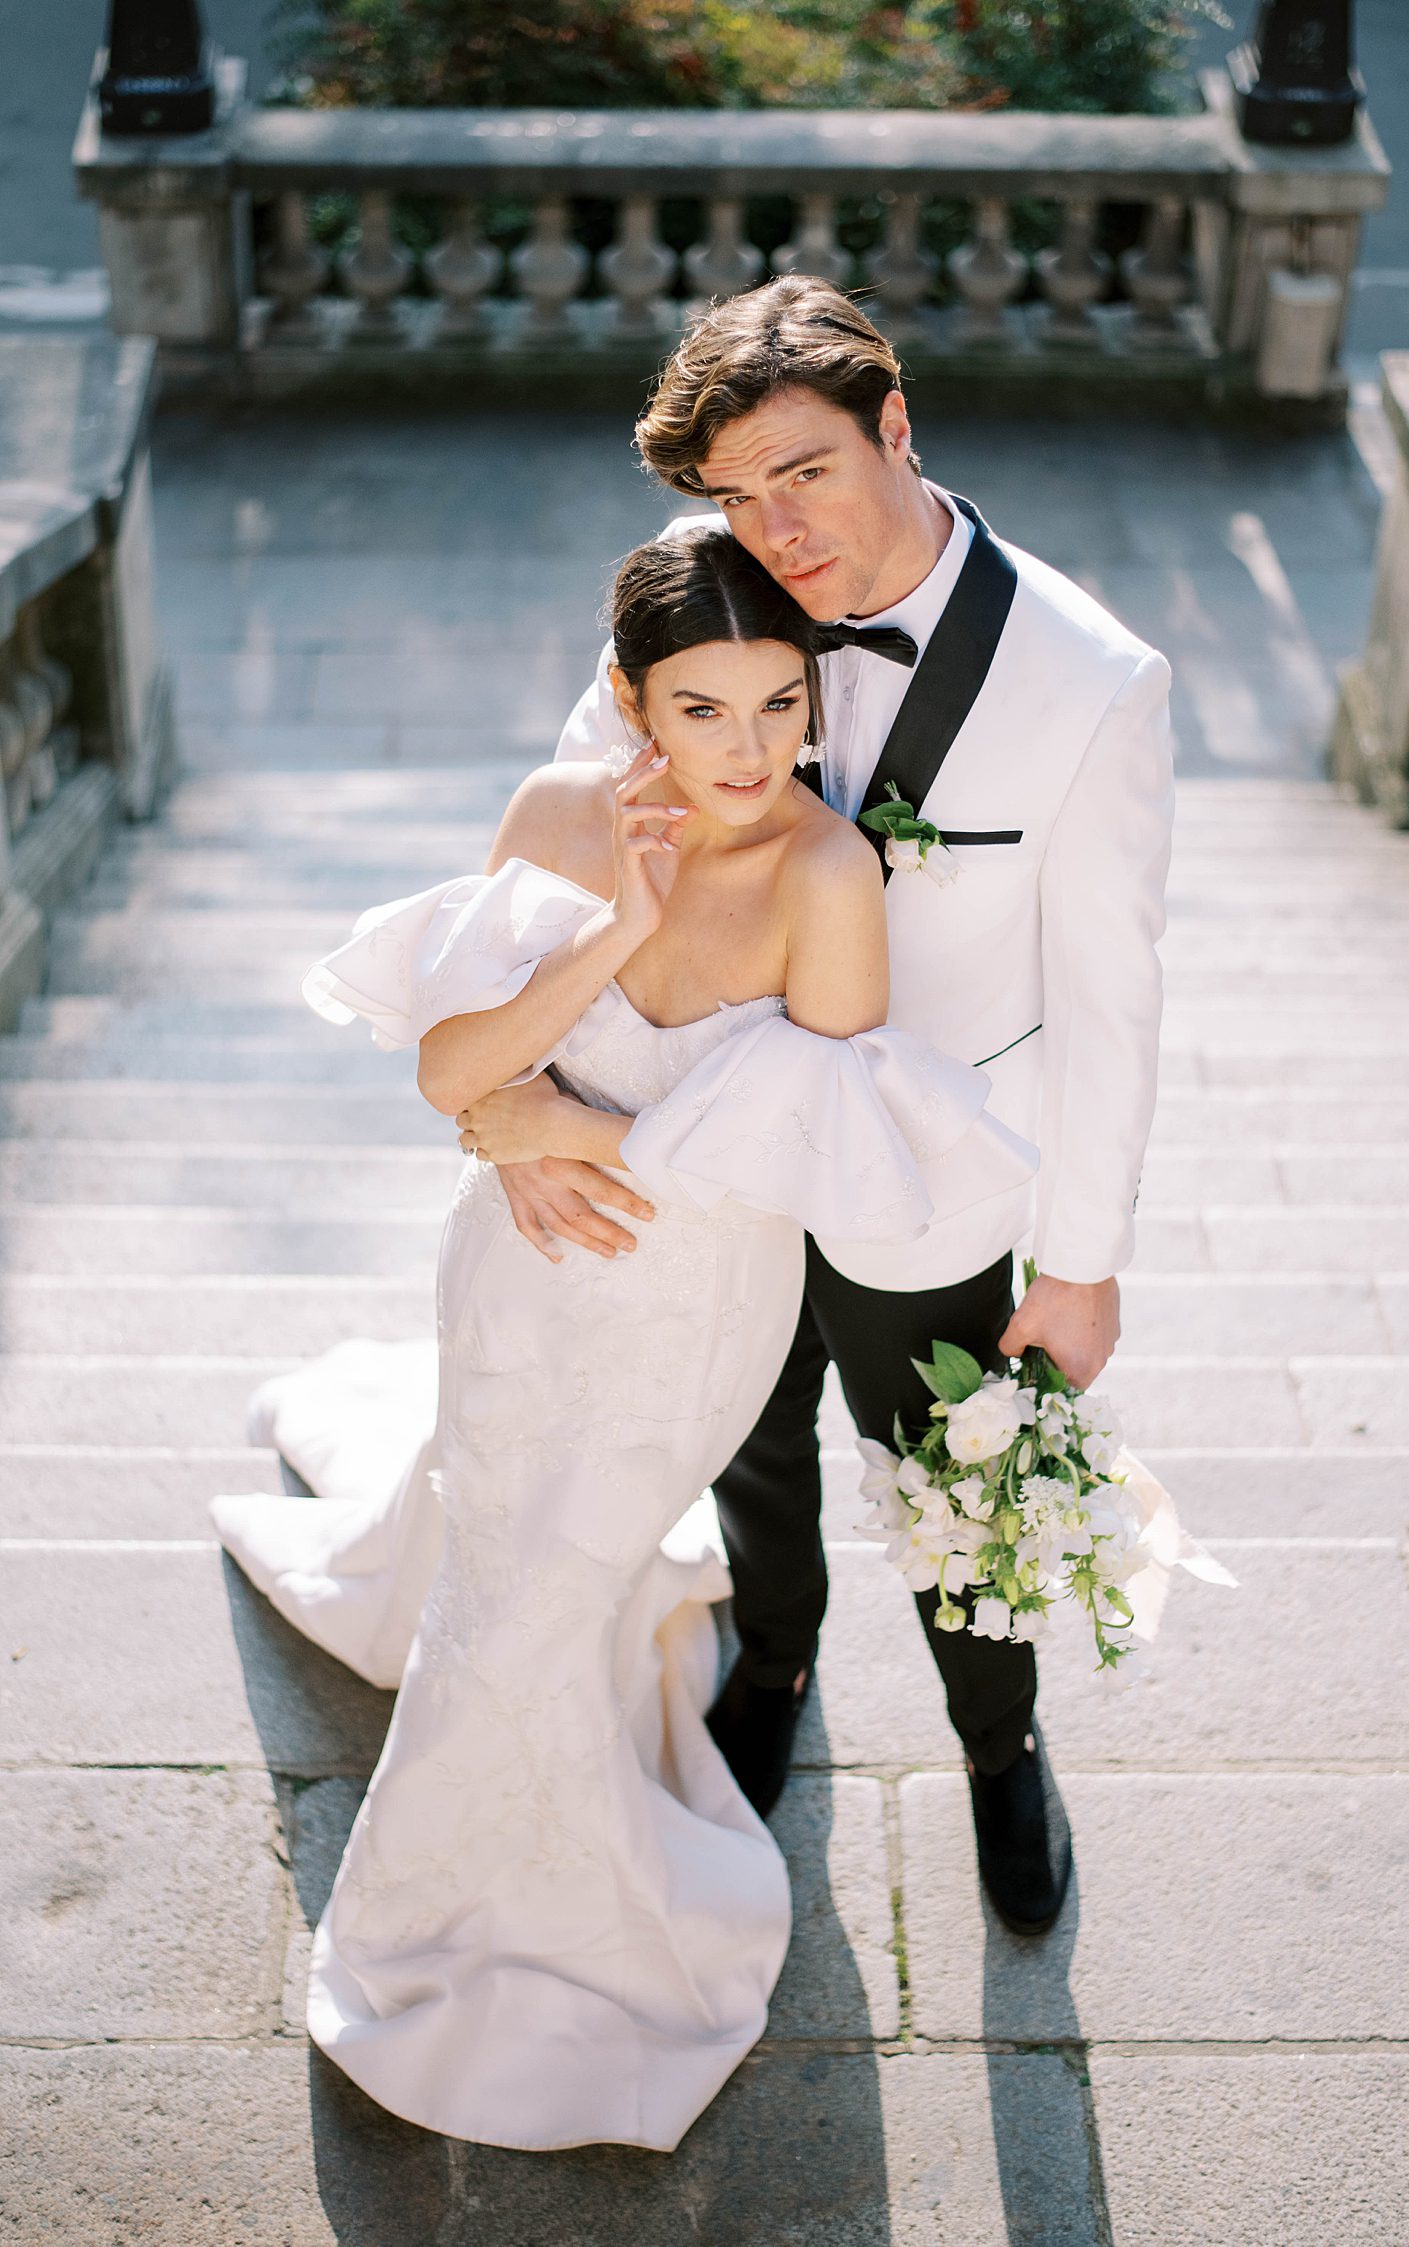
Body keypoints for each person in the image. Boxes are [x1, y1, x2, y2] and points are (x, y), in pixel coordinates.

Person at [211, 525, 1037, 2152]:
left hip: (690, 1311)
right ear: (628, 701)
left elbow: (810, 1145)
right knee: (502, 1535)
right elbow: (450, 1073)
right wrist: (603, 940)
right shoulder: (554, 817)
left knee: (536, 1596)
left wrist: (546, 1130)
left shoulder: (826, 874)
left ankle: (454, 1936)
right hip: (512, 1288)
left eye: (779, 704)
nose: (751, 752)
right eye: (704, 711)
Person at [462, 274, 1175, 1942]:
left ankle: (1001, 1750)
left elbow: (1117, 1000)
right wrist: (517, 1094)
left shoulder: (1093, 679)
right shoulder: (697, 603)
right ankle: (774, 1653)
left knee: (958, 1483)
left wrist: (1081, 1264)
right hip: (692, 1162)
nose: (768, 530)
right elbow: (572, 849)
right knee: (751, 1446)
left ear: (897, 426)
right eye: (730, 496)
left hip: (918, 1195)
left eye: (802, 473)